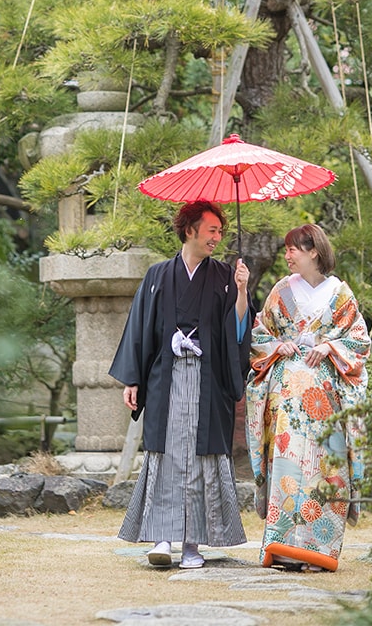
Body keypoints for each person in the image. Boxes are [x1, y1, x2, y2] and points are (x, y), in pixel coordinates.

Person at [109, 200, 255, 569]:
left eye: (221, 232)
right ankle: (161, 537)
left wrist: (240, 291)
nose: (218, 238)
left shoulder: (225, 276)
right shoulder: (158, 276)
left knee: (199, 459)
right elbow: (141, 330)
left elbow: (237, 331)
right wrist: (133, 379)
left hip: (208, 381)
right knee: (167, 455)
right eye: (212, 231)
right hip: (166, 379)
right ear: (190, 230)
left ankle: (193, 543)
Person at [245, 223, 371, 572]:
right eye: (286, 250)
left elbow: (359, 340)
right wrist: (277, 344)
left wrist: (329, 345)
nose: (287, 255)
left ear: (314, 250)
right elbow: (259, 331)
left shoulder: (341, 295)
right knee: (286, 464)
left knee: (326, 466)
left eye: (293, 249)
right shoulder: (281, 292)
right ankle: (283, 548)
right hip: (287, 396)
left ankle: (320, 549)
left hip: (325, 395)